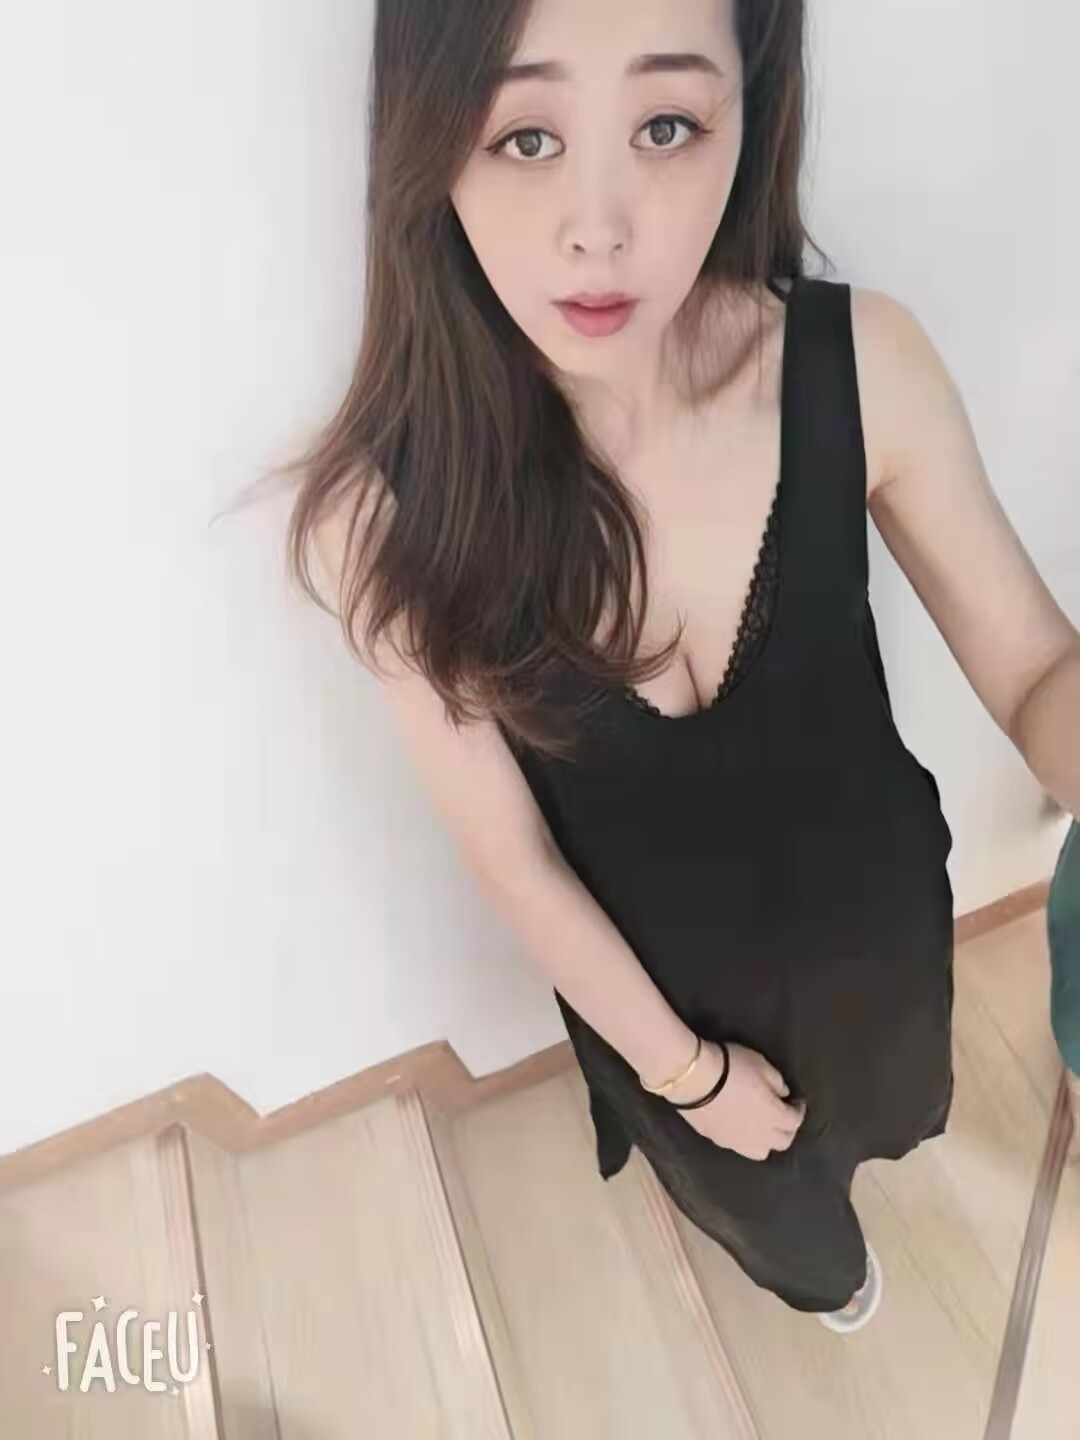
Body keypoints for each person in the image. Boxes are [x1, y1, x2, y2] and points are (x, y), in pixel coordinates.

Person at [277, 0, 1080, 1330]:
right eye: (526, 136)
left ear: (748, 107)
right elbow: (515, 863)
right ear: (429, 136)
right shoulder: (388, 524)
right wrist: (691, 1077)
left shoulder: (860, 363)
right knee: (793, 1241)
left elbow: (1039, 668)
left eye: (664, 124)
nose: (598, 227)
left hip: (877, 939)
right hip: (659, 1013)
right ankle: (834, 1287)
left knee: (885, 1118)